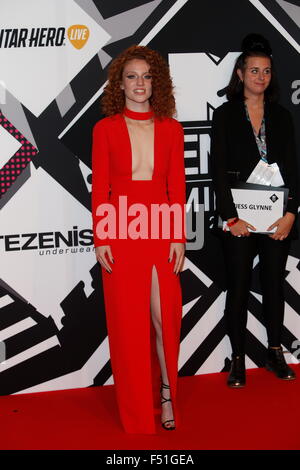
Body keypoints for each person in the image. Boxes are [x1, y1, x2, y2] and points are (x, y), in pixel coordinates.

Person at [91, 45, 186, 433]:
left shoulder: (171, 129)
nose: (140, 83)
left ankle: (167, 397)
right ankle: (133, 408)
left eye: (147, 76)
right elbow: (100, 188)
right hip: (121, 228)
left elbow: (177, 186)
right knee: (128, 325)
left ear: (156, 82)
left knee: (165, 320)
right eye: (132, 76)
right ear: (120, 83)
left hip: (161, 229)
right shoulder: (105, 128)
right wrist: (102, 236)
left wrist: (178, 234)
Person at [211, 34, 298, 387]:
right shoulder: (225, 114)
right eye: (253, 70)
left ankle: (275, 351)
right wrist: (231, 216)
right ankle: (237, 359)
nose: (260, 76)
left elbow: (292, 167)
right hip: (240, 218)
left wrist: (292, 213)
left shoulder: (282, 116)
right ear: (240, 73)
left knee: (274, 285)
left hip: (277, 216)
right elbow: (216, 167)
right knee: (239, 285)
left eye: (266, 71)